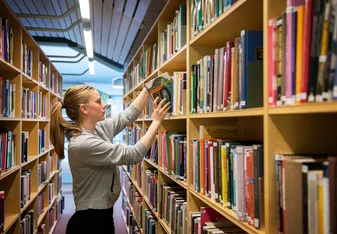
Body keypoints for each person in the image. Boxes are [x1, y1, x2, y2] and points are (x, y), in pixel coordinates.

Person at [50, 84, 170, 234]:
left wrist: (148, 89)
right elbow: (134, 154)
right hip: (89, 223)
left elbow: (126, 116)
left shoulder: (98, 128)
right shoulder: (82, 143)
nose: (104, 104)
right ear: (84, 109)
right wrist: (156, 122)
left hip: (103, 216)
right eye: (99, 101)